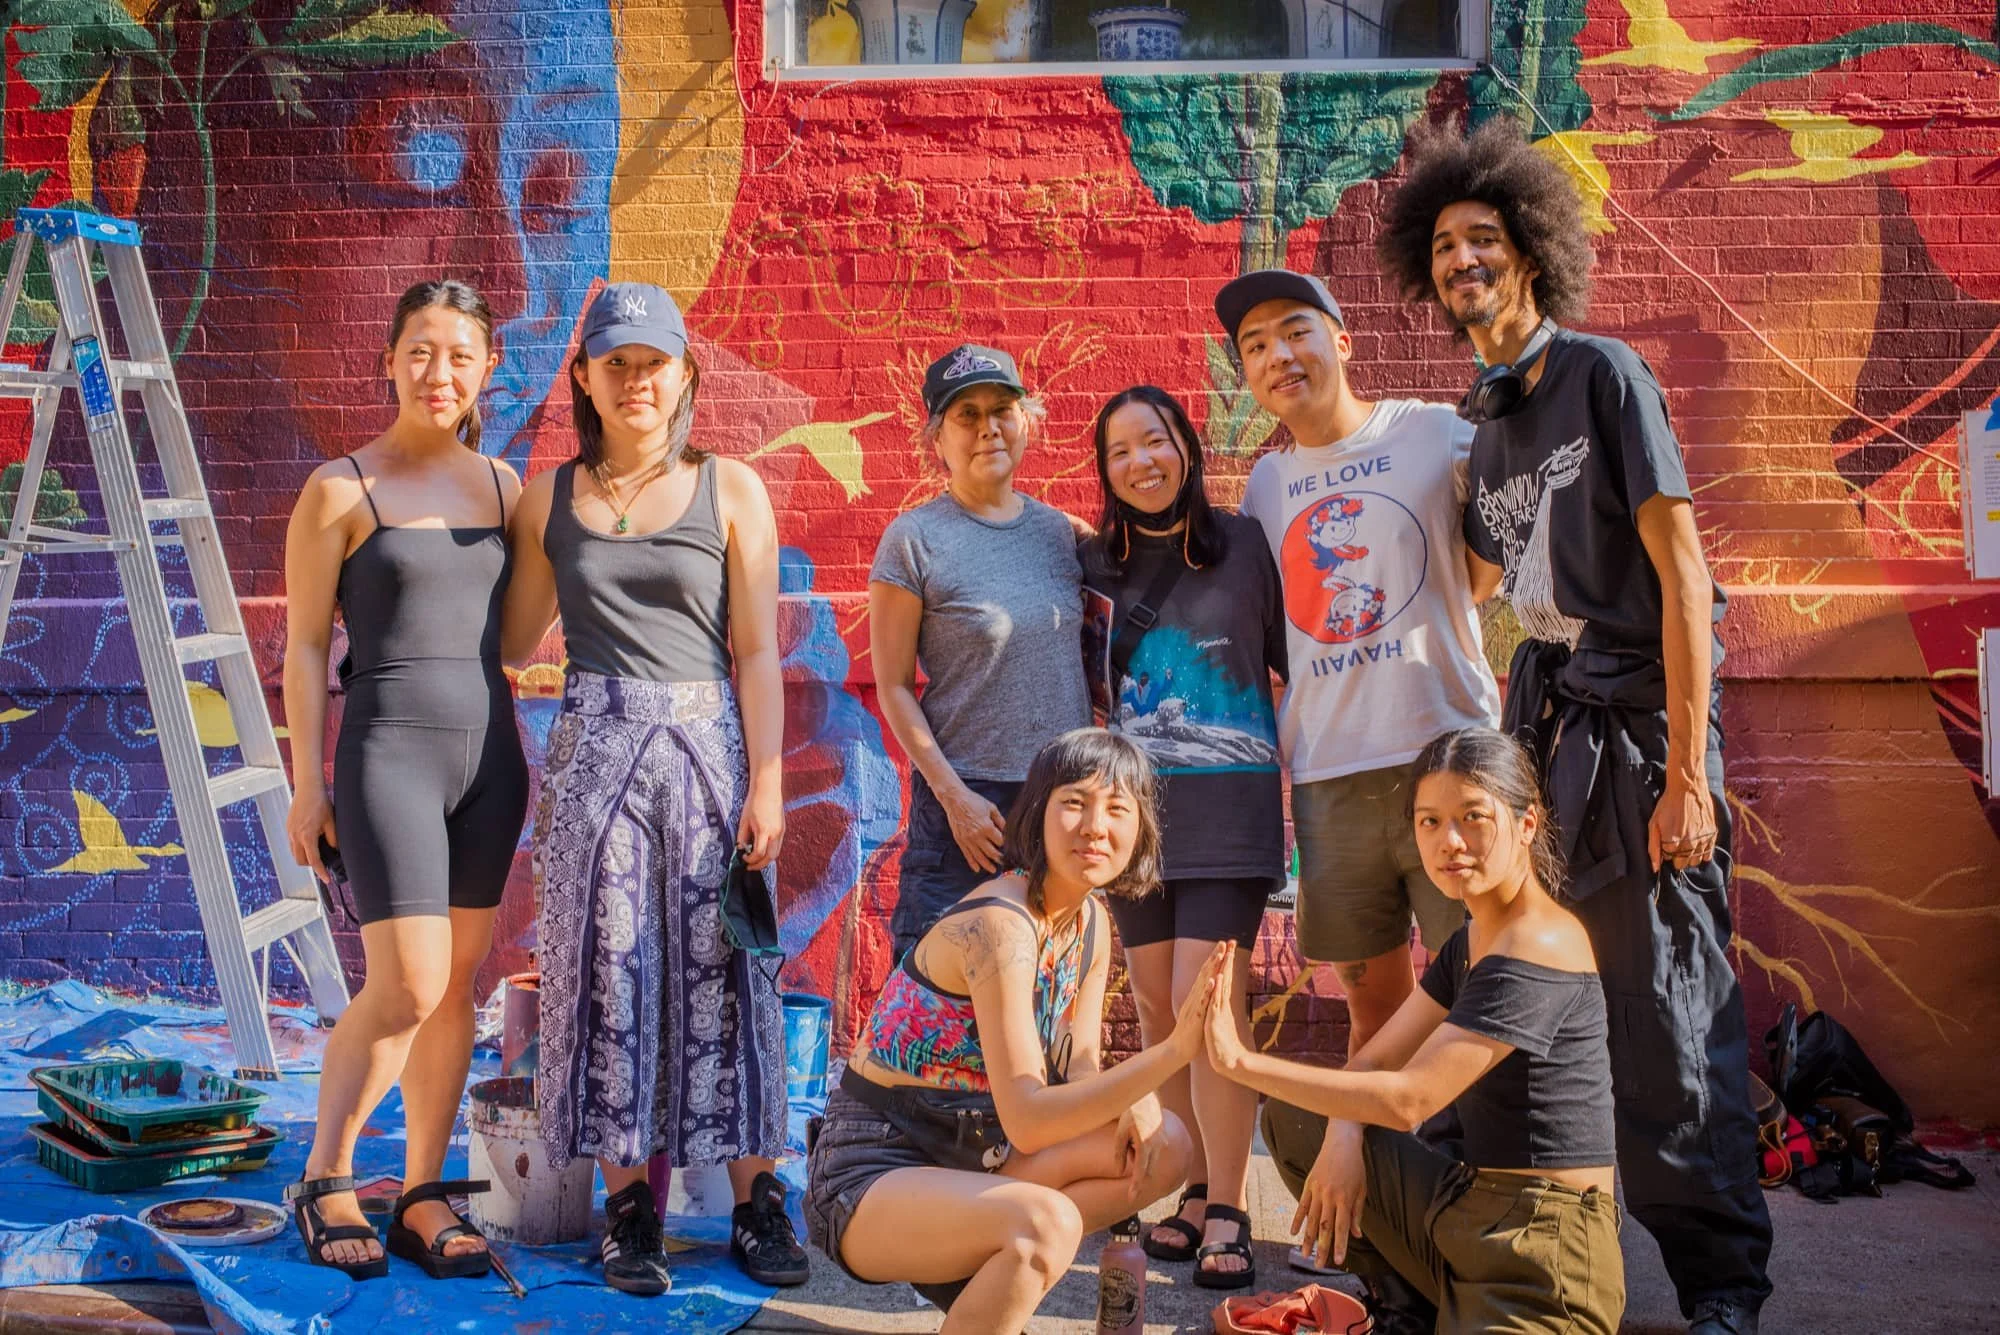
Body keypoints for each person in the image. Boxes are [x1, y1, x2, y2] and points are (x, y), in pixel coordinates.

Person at [1375, 117, 1772, 1335]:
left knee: (1662, 1009)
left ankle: (1719, 1286)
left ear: (1531, 253)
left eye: (1481, 238)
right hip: (1545, 737)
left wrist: (1688, 774)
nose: (1461, 260)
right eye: (1442, 247)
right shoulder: (1486, 421)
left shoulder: (1603, 375)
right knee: (1509, 973)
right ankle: (1469, 1251)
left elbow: (1684, 577)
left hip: (1640, 738)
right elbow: (1480, 588)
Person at [500, 282, 808, 1295]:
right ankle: (629, 1210)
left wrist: (767, 782)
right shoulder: (547, 499)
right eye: (616, 363)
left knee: (727, 967)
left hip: (709, 757)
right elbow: (514, 640)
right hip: (594, 763)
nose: (636, 380)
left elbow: (756, 652)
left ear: (684, 376)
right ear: (585, 377)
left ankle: (759, 1203)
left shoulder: (731, 489)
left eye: (654, 362)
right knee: (609, 970)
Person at [281, 280, 528, 1280]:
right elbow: (305, 647)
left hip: (491, 762)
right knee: (407, 984)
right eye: (420, 351)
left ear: (487, 369)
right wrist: (307, 785)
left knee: (456, 986)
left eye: (460, 354)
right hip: (386, 755)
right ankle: (325, 1176)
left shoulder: (505, 488)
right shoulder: (340, 489)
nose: (439, 373)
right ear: (388, 360)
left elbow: (521, 637)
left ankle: (423, 1191)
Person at [805, 727, 1211, 1334]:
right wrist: (1169, 1056)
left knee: (1165, 1144)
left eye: (1117, 808)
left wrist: (1136, 1101)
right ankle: (1000, 1264)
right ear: (1038, 813)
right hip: (872, 1173)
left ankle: (987, 1285)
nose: (1095, 827)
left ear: (1140, 831)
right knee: (1046, 1226)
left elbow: (1080, 1064)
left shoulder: (1090, 924)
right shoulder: (1001, 926)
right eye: (1074, 802)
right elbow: (1028, 1120)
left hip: (978, 1161)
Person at [1222, 727, 1623, 1335]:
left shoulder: (1539, 941)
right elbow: (1371, 1064)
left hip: (1544, 1256)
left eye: (1473, 817)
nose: (1449, 841)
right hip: (1464, 1211)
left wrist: (1239, 1064)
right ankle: (1407, 1308)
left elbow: (1409, 1098)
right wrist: (1343, 1131)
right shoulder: (1470, 941)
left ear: (1527, 824)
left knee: (1327, 1110)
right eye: (1430, 822)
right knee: (1296, 1121)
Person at [1217, 268, 1501, 1058]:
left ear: (1342, 341)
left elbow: (1493, 556)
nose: (1279, 355)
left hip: (1450, 756)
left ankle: (1481, 1141)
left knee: (1483, 995)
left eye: (1296, 331)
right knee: (1373, 1011)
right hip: (1330, 776)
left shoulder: (1432, 432)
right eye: (1256, 345)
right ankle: (1379, 1138)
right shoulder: (1266, 485)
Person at [1077, 386, 1286, 1289]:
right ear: (1105, 470)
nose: (1141, 462)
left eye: (1154, 441)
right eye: (1120, 451)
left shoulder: (1245, 544)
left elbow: (1295, 660)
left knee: (1210, 1004)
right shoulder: (1092, 562)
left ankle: (1232, 1202)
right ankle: (1195, 1186)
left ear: (1187, 448)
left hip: (1230, 812)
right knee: (1159, 1009)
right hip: (1133, 820)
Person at [869, 345, 1092, 963]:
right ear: (936, 439)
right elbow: (893, 686)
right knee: (938, 993)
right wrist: (954, 798)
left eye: (1002, 411)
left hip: (1062, 799)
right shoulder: (914, 540)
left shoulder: (1061, 534)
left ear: (1026, 423)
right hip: (969, 811)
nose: (988, 428)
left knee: (1051, 987)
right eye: (967, 415)